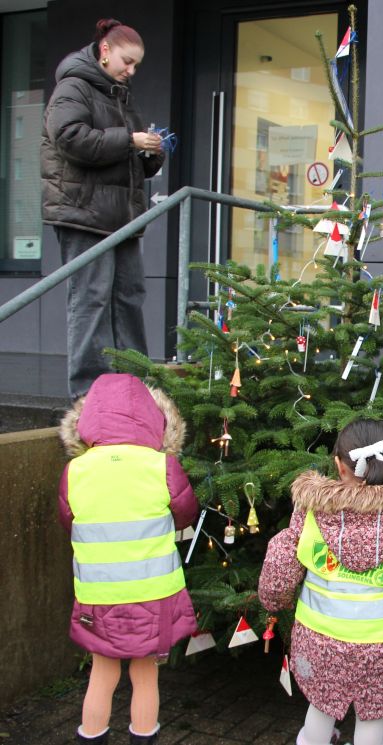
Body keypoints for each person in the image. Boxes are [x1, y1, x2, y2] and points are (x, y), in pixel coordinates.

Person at [258, 419, 383, 745]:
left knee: (320, 707)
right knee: (373, 715)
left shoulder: (312, 512)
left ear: (337, 465)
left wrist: (275, 602)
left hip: (319, 641)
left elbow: (281, 561)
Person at [58, 373, 199, 745]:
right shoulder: (161, 466)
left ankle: (91, 737)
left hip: (98, 594)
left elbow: (67, 519)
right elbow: (186, 512)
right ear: (153, 417)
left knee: (101, 676)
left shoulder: (77, 471)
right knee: (145, 675)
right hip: (154, 592)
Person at [42, 18, 165, 400]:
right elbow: (69, 138)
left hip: (122, 218)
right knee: (91, 300)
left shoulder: (120, 94)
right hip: (83, 214)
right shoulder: (72, 87)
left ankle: (135, 385)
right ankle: (89, 394)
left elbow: (126, 155)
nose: (131, 71)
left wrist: (150, 154)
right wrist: (129, 140)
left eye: (136, 66)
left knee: (128, 298)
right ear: (105, 51)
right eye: (127, 62)